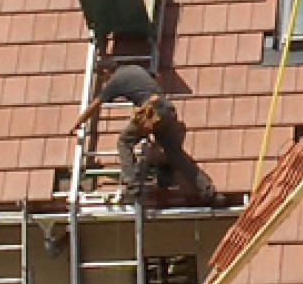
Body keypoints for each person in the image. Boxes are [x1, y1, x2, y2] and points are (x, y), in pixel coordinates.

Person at [68, 59, 216, 202]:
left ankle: (133, 185)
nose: (104, 81)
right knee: (175, 153)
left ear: (106, 72)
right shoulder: (135, 68)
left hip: (152, 112)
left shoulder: (116, 81)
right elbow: (155, 76)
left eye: (103, 77)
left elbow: (96, 104)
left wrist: (77, 123)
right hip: (166, 108)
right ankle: (207, 189)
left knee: (124, 142)